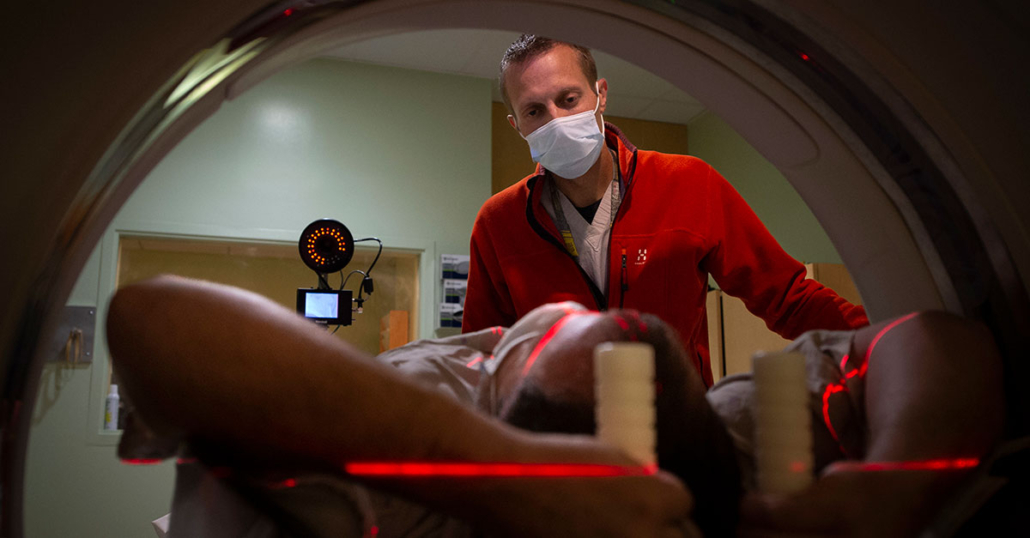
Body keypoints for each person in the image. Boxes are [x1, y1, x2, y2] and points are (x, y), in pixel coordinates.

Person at [109, 276, 1003, 537]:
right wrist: (898, 486)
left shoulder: (405, 481)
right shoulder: (741, 442)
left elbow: (154, 323)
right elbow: (926, 335)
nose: (631, 336)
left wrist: (502, 479)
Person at [463, 34, 869, 387]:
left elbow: (788, 297)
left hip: (680, 431)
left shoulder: (689, 184)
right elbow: (482, 359)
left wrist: (882, 343)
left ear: (600, 94)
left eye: (569, 99)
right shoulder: (499, 224)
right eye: (535, 111)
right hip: (563, 447)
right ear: (517, 126)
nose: (557, 119)